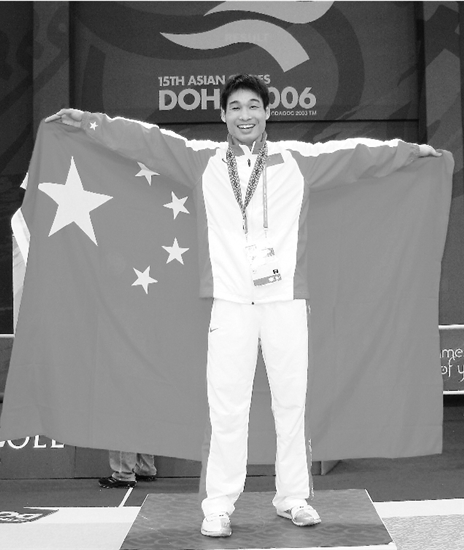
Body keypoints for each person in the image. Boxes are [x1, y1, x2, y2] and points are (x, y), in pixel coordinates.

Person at [46, 74, 441, 537]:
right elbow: (146, 141)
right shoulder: (202, 161)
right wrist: (89, 123)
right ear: (223, 115)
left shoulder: (297, 161)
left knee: (291, 405)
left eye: (254, 105)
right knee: (227, 409)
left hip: (285, 301)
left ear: (268, 112)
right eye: (235, 107)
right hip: (230, 305)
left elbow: (356, 155)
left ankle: (293, 498)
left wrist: (409, 151)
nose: (245, 115)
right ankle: (218, 505)